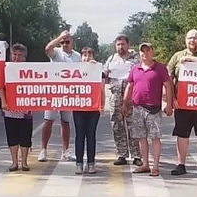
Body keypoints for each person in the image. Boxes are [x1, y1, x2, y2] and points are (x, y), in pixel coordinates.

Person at [166, 29, 197, 178]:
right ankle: (181, 164)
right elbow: (168, 78)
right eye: (189, 38)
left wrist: (192, 60)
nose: (192, 41)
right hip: (182, 103)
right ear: (185, 40)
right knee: (182, 134)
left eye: (195, 38)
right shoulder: (177, 56)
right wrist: (171, 99)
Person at [123, 42, 174, 176]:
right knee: (141, 137)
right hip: (137, 108)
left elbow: (168, 86)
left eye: (147, 51)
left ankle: (155, 166)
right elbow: (130, 86)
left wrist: (169, 104)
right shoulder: (135, 68)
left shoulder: (160, 68)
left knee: (155, 138)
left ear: (152, 52)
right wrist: (125, 103)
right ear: (139, 53)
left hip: (154, 109)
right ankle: (145, 164)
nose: (145, 54)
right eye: (142, 51)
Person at [39, 28, 81, 162]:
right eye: (62, 42)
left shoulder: (77, 56)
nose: (64, 44)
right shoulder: (56, 52)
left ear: (72, 42)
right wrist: (60, 37)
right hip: (54, 91)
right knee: (48, 120)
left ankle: (65, 151)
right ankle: (43, 150)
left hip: (68, 92)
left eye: (67, 42)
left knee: (66, 121)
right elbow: (47, 49)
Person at [102, 34, 142, 167]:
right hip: (115, 96)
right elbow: (104, 75)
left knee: (133, 125)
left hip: (131, 96)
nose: (120, 47)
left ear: (128, 45)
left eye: (123, 44)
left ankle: (137, 155)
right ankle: (121, 154)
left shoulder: (136, 59)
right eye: (118, 44)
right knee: (117, 125)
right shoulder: (111, 59)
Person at [72, 47, 107, 175]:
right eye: (84, 55)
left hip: (93, 108)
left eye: (89, 54)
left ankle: (91, 163)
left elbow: (102, 90)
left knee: (91, 135)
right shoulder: (75, 70)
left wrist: (102, 105)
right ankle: (79, 164)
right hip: (78, 107)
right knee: (80, 135)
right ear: (81, 57)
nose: (87, 57)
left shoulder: (99, 71)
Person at [0, 44, 33, 172]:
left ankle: (24, 162)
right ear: (11, 55)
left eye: (19, 55)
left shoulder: (30, 69)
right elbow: (1, 86)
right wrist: (3, 102)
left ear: (24, 57)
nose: (16, 57)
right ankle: (14, 163)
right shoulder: (5, 68)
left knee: (25, 135)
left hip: (25, 108)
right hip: (9, 109)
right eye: (14, 54)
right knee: (12, 135)